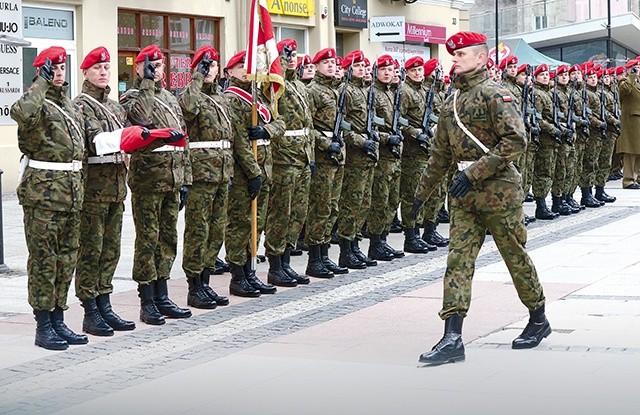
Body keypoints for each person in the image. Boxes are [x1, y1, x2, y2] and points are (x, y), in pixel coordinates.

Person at [412, 32, 550, 365]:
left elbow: (516, 141)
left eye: (462, 54)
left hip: (499, 193)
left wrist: (472, 173)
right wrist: (420, 195)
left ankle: (538, 318)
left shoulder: (496, 94)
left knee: (515, 258)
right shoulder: (450, 102)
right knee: (457, 262)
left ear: (481, 58)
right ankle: (452, 337)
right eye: (454, 54)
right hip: (463, 199)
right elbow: (439, 154)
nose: (455, 59)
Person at [11, 46, 89, 350]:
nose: (59, 73)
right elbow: (21, 112)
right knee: (44, 260)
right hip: (43, 195)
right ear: (41, 71)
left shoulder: (69, 106)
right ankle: (43, 326)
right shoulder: (36, 103)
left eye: (61, 68)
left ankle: (58, 319)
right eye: (52, 69)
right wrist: (39, 84)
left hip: (71, 193)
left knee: (66, 259)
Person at [119, 44, 192, 325]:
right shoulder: (133, 97)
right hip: (148, 180)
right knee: (148, 241)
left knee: (167, 240)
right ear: (138, 68)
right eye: (150, 66)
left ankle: (162, 294)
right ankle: (147, 300)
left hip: (172, 179)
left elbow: (182, 140)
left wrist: (185, 179)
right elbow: (141, 119)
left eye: (159, 66)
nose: (157, 70)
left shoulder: (171, 99)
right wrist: (147, 83)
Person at [74, 46, 136, 336]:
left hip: (115, 189)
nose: (103, 72)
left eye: (107, 68)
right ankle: (90, 310)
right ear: (85, 72)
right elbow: (93, 142)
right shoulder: (80, 106)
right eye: (97, 68)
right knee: (91, 250)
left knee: (110, 251)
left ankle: (105, 303)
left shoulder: (115, 107)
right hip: (93, 191)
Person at [224, 50, 285, 295]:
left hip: (265, 166)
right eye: (240, 68)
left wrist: (266, 130)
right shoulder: (232, 99)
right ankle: (238, 275)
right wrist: (254, 172)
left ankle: (250, 271)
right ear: (230, 72)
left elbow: (281, 122)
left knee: (256, 223)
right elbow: (239, 141)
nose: (246, 73)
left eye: (248, 67)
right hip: (244, 173)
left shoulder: (258, 97)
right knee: (240, 223)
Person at [178, 45, 232, 309]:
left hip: (222, 172)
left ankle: (206, 281)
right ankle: (194, 285)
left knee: (216, 230)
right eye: (205, 65)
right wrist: (198, 79)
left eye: (213, 66)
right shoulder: (192, 93)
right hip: (201, 174)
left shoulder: (220, 97)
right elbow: (187, 111)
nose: (211, 70)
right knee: (198, 231)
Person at [264, 39, 313, 286]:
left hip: (303, 158)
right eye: (287, 54)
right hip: (285, 157)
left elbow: (309, 125)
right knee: (280, 214)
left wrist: (311, 156)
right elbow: (272, 87)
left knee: (297, 213)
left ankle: (286, 262)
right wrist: (279, 60)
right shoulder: (278, 85)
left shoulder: (300, 86)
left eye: (294, 54)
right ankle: (275, 265)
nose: (292, 58)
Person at [335, 49, 379, 269]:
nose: (363, 69)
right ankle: (346, 249)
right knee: (351, 204)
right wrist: (362, 142)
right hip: (353, 157)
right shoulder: (346, 91)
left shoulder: (366, 91)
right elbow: (342, 127)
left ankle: (355, 246)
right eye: (359, 66)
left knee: (363, 204)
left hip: (368, 158)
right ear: (349, 69)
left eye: (365, 66)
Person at [304, 47, 347, 277]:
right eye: (326, 63)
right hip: (323, 156)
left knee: (332, 207)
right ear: (317, 66)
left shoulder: (336, 91)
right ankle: (314, 258)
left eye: (333, 63)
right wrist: (323, 144)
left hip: (338, 154)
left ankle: (324, 253)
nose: (331, 66)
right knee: (319, 207)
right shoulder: (313, 91)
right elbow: (308, 126)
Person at [398, 56, 436, 254]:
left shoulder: (424, 91)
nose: (418, 73)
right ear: (408, 72)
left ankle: (420, 233)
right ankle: (410, 235)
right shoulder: (405, 91)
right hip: (412, 152)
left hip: (426, 149)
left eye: (420, 69)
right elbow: (400, 119)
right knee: (412, 195)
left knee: (423, 193)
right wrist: (415, 133)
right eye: (414, 70)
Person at [616, 59, 640, 189]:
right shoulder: (625, 81)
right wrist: (632, 75)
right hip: (631, 121)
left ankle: (638, 177)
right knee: (631, 151)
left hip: (638, 120)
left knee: (638, 150)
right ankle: (628, 180)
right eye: (636, 67)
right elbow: (624, 91)